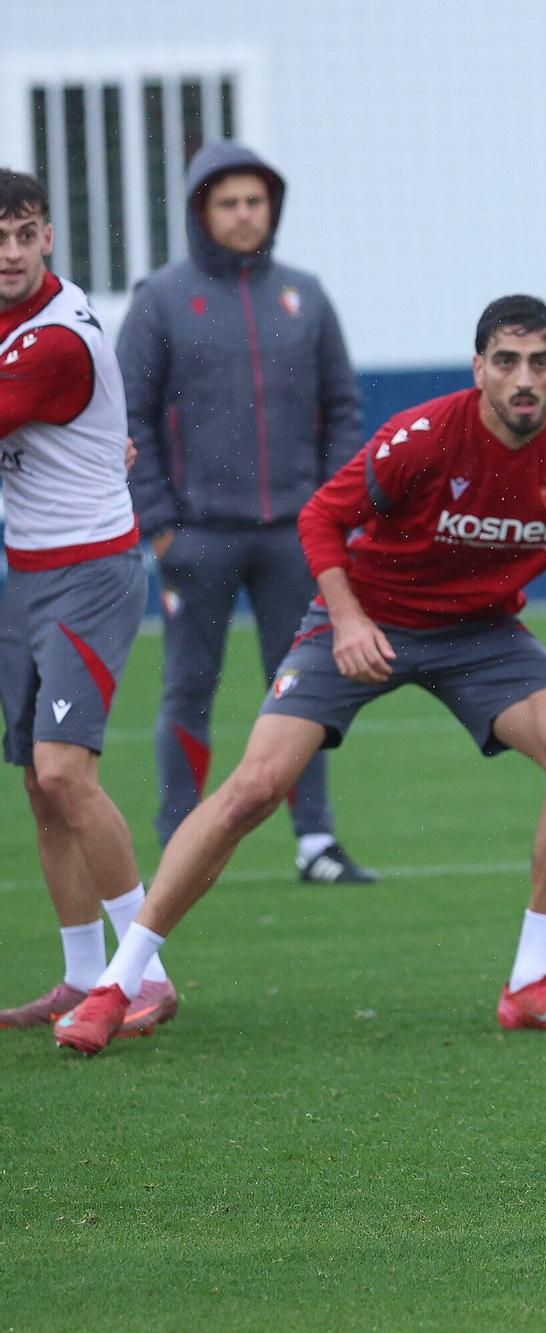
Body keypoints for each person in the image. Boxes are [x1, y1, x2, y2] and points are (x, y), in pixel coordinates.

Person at [52, 296, 546, 1053]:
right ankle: (120, 982)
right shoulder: (423, 436)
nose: (523, 379)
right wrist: (347, 620)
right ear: (478, 367)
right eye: (506, 361)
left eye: (540, 363)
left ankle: (530, 984)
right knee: (253, 788)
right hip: (365, 614)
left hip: (479, 632)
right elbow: (320, 518)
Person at [120, 142, 374, 885]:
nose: (243, 214)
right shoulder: (161, 297)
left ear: (273, 209)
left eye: (255, 201)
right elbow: (129, 413)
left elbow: (345, 410)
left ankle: (315, 843)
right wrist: (160, 524)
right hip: (195, 536)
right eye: (228, 202)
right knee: (187, 689)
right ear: (203, 211)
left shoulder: (306, 295)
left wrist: (334, 513)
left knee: (306, 688)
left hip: (296, 538)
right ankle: (178, 839)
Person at [0, 168, 177, 1037]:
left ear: (48, 237)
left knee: (69, 773)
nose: (10, 252)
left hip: (88, 573)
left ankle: (145, 972)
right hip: (26, 572)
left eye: (24, 232)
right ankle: (79, 975)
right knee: (39, 782)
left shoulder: (53, 342)